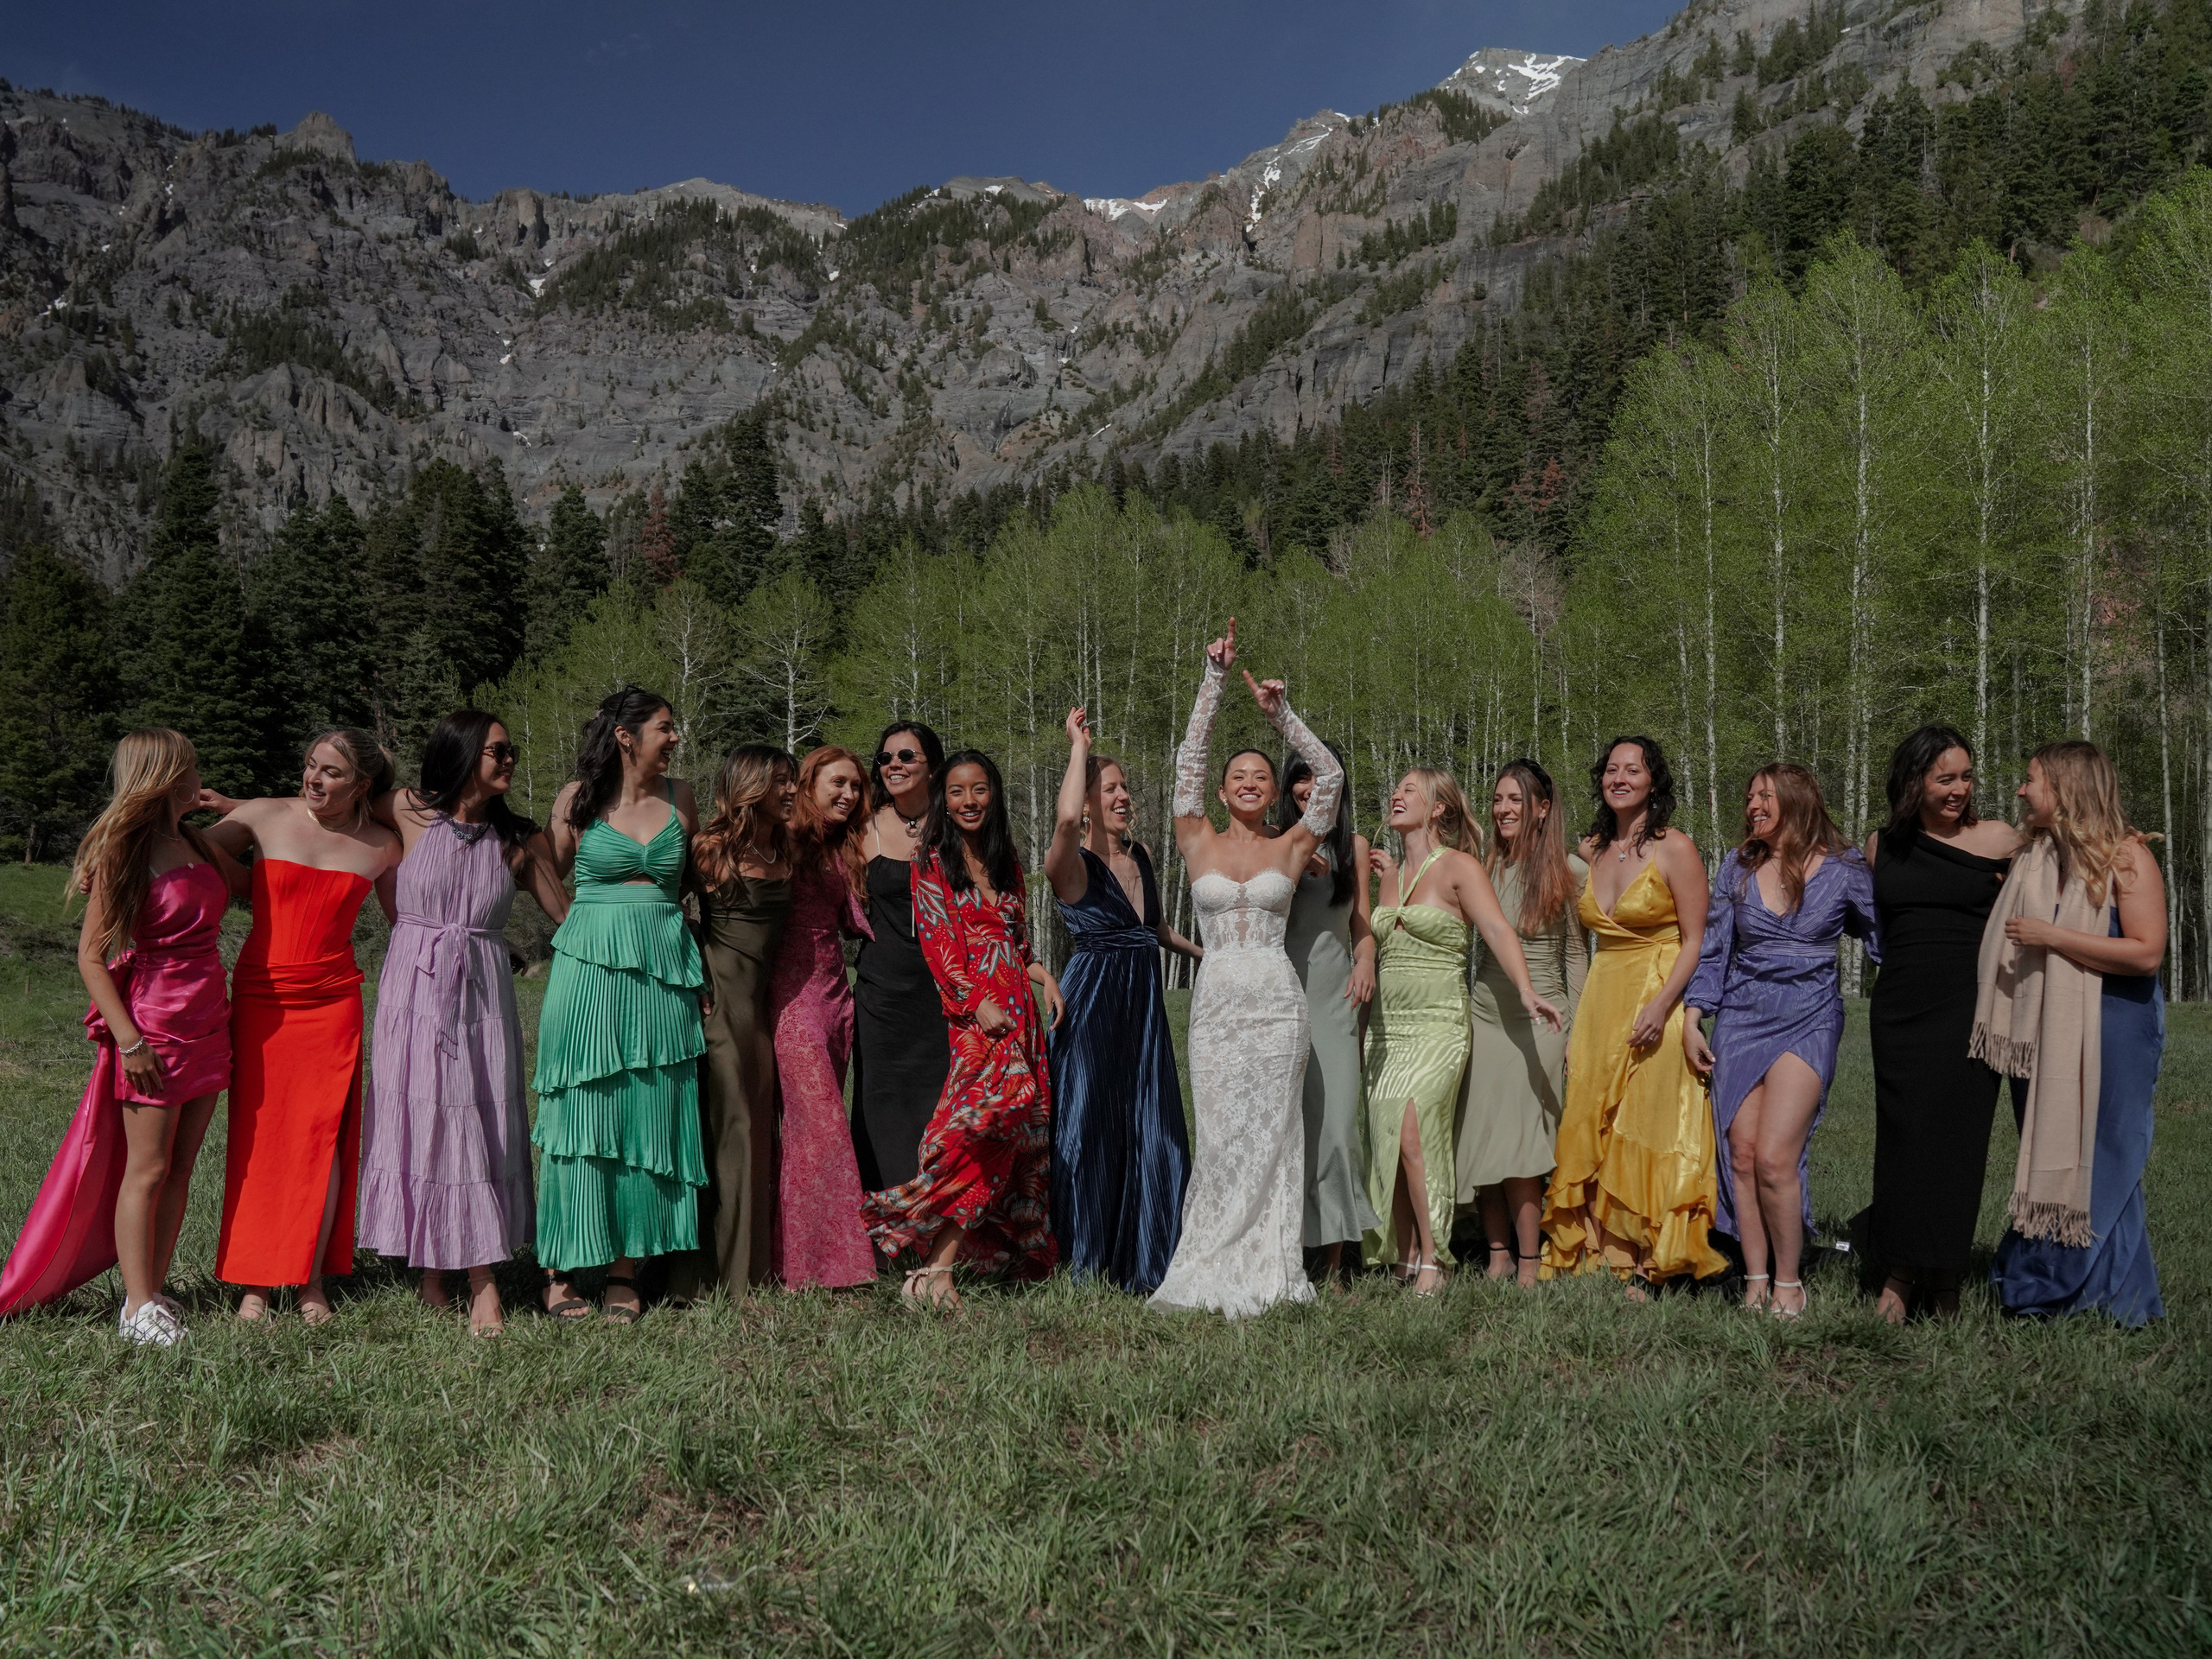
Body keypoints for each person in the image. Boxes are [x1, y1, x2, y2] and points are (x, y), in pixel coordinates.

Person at [0, 731, 241, 1342]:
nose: (198, 774)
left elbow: (258, 875)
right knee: (148, 1167)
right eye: (190, 766)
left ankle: (153, 1293)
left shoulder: (192, 838)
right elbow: (90, 957)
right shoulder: (124, 850)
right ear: (164, 774)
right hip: (155, 1025)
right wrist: (129, 1041)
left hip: (210, 1016)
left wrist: (236, 809)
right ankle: (135, 1308)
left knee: (183, 1167)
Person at [1149, 619, 1344, 1319]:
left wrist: (1280, 715)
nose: (1251, 783)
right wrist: (1213, 679)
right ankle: (1209, 1256)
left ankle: (1269, 1263)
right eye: (1240, 776)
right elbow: (1185, 762)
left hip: (1276, 1005)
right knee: (1224, 1132)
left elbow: (1331, 776)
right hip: (1217, 1005)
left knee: (1273, 1132)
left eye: (1262, 776)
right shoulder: (1194, 838)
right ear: (1225, 790)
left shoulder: (1292, 847)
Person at [360, 709, 569, 1337]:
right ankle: (432, 1268)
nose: (509, 762)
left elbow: (570, 916)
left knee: (473, 1118)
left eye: (511, 752)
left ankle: (480, 1279)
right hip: (412, 987)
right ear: (462, 752)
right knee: (423, 1117)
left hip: (481, 994)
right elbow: (328, 816)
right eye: (497, 752)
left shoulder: (520, 840)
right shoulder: (405, 808)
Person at [203, 730, 402, 1323]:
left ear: (361, 784)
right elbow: (187, 853)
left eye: (332, 772)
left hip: (332, 1003)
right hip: (262, 998)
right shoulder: (261, 816)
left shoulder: (384, 847)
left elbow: (410, 920)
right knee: (259, 1140)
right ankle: (257, 1280)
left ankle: (312, 1279)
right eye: (311, 765)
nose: (314, 778)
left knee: (322, 1142)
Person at [862, 750, 1064, 1308]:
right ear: (943, 801)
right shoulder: (932, 861)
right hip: (978, 1021)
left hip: (1020, 1012)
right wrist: (978, 1003)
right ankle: (935, 1267)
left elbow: (1017, 940)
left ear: (993, 794)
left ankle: (971, 1264)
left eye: (978, 790)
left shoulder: (1007, 860)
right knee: (981, 1132)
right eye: (956, 792)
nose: (968, 801)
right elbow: (938, 947)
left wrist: (1041, 973)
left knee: (1021, 1136)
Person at [532, 689, 706, 1325]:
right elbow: (544, 874)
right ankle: (558, 1266)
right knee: (578, 1114)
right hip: (587, 969)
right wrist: (568, 927)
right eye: (666, 727)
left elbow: (697, 884)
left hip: (661, 968)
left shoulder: (682, 798)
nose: (676, 738)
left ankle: (624, 1270)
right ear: (628, 736)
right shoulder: (574, 800)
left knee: (648, 1112)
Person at [1683, 765, 1878, 1319]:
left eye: (1765, 797)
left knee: (1774, 1158)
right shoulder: (1737, 866)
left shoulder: (1845, 870)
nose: (1753, 806)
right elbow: (1715, 948)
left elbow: (1887, 933)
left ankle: (1790, 1284)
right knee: (1741, 1156)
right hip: (1742, 1018)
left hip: (1810, 1016)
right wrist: (1694, 1016)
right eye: (1749, 798)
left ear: (1797, 800)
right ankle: (1755, 1279)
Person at [1981, 742, 2164, 1327]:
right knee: (2051, 1150)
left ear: (2062, 789)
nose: (2021, 791)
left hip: (2115, 1024)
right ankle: (2069, 1289)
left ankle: (2090, 1294)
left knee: (2105, 1154)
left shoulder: (2127, 857)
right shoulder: (2033, 856)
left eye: (2030, 780)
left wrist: (2052, 936)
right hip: (2045, 1027)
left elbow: (2146, 953)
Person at [1363, 768, 1562, 1295]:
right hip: (1388, 1027)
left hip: (1439, 1024)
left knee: (1416, 1131)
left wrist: (1524, 989)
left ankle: (1437, 1259)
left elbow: (1497, 928)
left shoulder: (1459, 867)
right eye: (1396, 788)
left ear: (1437, 809)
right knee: (1390, 1137)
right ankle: (1406, 1256)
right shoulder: (1386, 876)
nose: (1397, 795)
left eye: (1410, 789)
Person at [1541, 735, 1726, 1294]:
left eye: (1633, 770)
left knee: (1648, 1121)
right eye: (1611, 770)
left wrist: (1664, 1004)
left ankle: (1654, 1261)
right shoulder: (1590, 850)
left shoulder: (1676, 849)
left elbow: (1697, 939)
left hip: (1660, 991)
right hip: (1603, 996)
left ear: (1653, 782)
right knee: (1592, 1120)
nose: (1620, 778)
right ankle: (1603, 1253)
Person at [1853, 726, 2019, 1321]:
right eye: (1944, 777)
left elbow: (2065, 868)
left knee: (1956, 1143)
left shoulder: (2001, 838)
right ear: (1915, 781)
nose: (1958, 789)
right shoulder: (1880, 846)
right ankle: (1899, 1274)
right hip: (1898, 1010)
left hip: (1970, 1008)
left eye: (1966, 776)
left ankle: (1944, 1278)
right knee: (1902, 1139)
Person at [1044, 706, 1201, 1294]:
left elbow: (1154, 932)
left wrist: (1214, 957)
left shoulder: (1141, 858)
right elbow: (1062, 823)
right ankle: (1083, 1260)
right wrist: (1077, 747)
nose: (1125, 796)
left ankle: (1150, 1255)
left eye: (1126, 787)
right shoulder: (1072, 865)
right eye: (1111, 788)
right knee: (1088, 1128)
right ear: (1086, 801)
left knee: (1153, 1129)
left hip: (1144, 1008)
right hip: (1092, 1005)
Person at [1459, 759, 1586, 1289]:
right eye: (1498, 800)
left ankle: (1530, 1261)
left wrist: (1577, 1027)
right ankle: (1497, 1253)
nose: (1504, 810)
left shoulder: (1571, 871)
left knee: (1519, 1143)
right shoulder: (1481, 866)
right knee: (1481, 1137)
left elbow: (1577, 955)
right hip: (1484, 1015)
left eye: (1515, 800)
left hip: (1542, 1020)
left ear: (1542, 809)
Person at [677, 744, 796, 1299]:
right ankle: (716, 1279)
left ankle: (752, 1266)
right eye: (779, 782)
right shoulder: (710, 848)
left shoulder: (789, 844)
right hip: (719, 1003)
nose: (791, 791)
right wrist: (693, 964)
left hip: (764, 1008)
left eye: (792, 780)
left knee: (756, 1134)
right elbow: (667, 909)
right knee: (732, 1132)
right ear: (750, 787)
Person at [771, 745, 878, 1290]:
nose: (848, 794)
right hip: (788, 999)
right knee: (821, 1127)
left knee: (812, 1130)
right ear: (807, 784)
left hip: (838, 996)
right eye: (837, 783)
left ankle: (792, 1258)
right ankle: (838, 1267)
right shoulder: (779, 837)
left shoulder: (849, 845)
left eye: (856, 787)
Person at [1280, 744, 1376, 1287]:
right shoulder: (1274, 843)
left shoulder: (1355, 846)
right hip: (1280, 997)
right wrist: (1291, 868)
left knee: (1337, 1128)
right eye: (1300, 777)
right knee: (1289, 1128)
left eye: (1320, 777)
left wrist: (1365, 961)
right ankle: (1287, 1250)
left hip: (1335, 1000)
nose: (1309, 788)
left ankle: (1337, 1263)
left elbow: (1360, 925)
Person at [852, 721, 953, 1197]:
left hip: (945, 993)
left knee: (940, 1107)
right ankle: (889, 1228)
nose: (893, 765)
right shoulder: (863, 827)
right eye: (886, 757)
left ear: (932, 766)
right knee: (883, 1106)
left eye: (907, 756)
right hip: (882, 996)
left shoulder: (956, 823)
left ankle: (938, 1222)